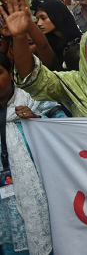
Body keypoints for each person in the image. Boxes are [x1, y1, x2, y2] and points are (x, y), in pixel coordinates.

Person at [0, 52, 63, 255]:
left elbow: (66, 132)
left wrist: (37, 121)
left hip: (42, 198)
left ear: (11, 73)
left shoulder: (34, 100)